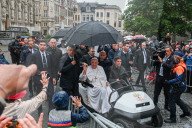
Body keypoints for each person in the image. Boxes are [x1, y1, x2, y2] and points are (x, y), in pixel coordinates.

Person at [30, 40, 56, 115]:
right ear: (38, 45)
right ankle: (40, 111)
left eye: (44, 45)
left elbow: (53, 67)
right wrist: (38, 72)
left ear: (46, 46)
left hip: (49, 79)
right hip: (39, 79)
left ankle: (50, 111)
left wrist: (54, 77)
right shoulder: (34, 55)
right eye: (41, 45)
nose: (42, 46)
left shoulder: (49, 54)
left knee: (50, 95)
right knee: (39, 96)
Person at [164, 51, 191, 123]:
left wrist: (168, 82)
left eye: (174, 57)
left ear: (178, 58)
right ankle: (186, 112)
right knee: (177, 99)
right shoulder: (181, 64)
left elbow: (178, 79)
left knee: (171, 101)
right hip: (181, 86)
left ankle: (173, 118)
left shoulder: (179, 67)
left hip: (178, 86)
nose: (173, 59)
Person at [153, 45, 174, 110]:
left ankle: (166, 106)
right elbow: (154, 64)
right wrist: (157, 60)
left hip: (166, 78)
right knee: (156, 92)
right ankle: (154, 104)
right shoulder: (162, 56)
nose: (166, 52)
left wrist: (162, 62)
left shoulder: (172, 58)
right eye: (165, 51)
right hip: (159, 77)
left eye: (167, 51)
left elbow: (170, 67)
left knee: (167, 93)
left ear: (170, 51)